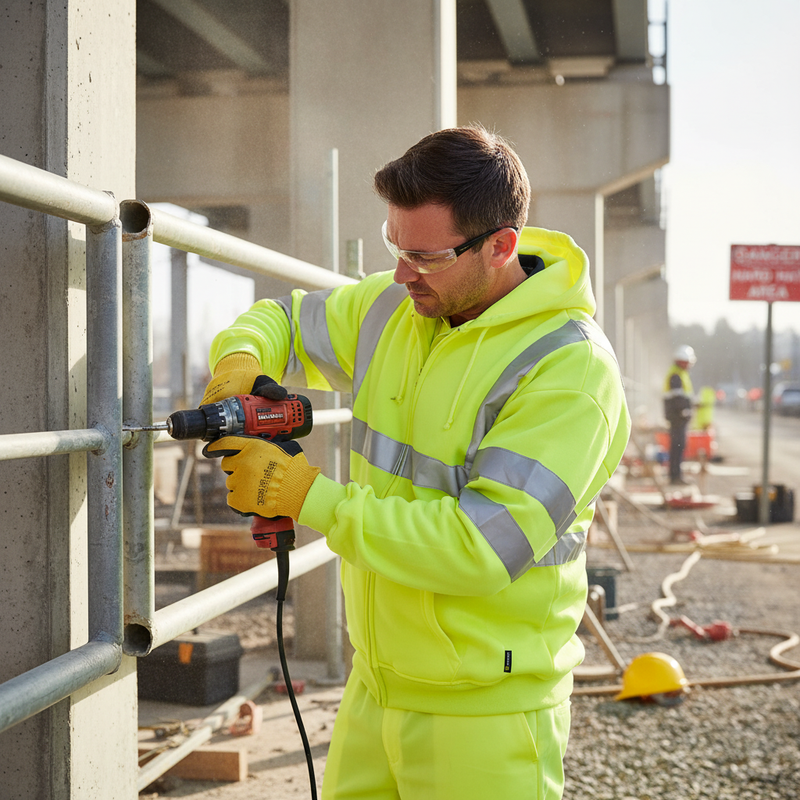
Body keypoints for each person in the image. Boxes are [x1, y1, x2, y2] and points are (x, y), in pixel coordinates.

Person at [200, 126, 631, 799]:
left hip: (484, 714)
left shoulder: (568, 371)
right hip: (375, 686)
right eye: (394, 246)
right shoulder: (395, 308)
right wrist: (240, 360)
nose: (402, 274)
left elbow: (480, 548)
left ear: (501, 245)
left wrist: (304, 494)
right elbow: (283, 317)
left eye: (424, 256)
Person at [663, 344, 696, 485]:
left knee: (678, 446)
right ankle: (675, 476)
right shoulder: (676, 375)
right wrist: (684, 410)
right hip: (677, 418)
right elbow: (678, 398)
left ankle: (676, 475)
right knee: (677, 446)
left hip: (677, 418)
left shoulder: (678, 373)